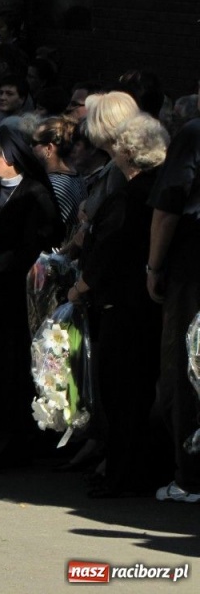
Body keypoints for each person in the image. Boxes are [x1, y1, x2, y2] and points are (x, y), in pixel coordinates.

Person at [68, 113, 168, 498]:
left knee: (122, 394)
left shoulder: (131, 195)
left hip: (124, 308)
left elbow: (110, 250)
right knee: (138, 393)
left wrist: (80, 287)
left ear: (126, 151)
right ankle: (130, 469)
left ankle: (122, 474)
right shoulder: (157, 188)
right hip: (146, 304)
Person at [0, 125, 63, 477]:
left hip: (19, 299)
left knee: (13, 371)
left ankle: (15, 445)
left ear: (9, 158)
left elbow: (42, 244)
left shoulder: (36, 193)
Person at [147, 109, 200, 503]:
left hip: (192, 272)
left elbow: (167, 211)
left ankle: (190, 477)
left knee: (185, 369)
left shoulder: (193, 135)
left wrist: (154, 266)